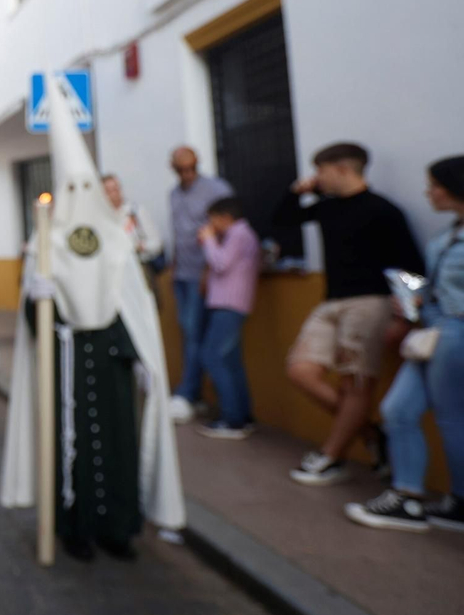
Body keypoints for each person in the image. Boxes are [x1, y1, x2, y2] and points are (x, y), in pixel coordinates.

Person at [0, 75, 185, 562]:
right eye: (74, 187)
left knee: (118, 440)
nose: (83, 194)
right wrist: (38, 294)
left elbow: (134, 301)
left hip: (112, 356)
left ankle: (118, 527)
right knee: (70, 443)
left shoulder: (119, 239)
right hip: (65, 358)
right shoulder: (47, 241)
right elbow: (32, 315)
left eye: (90, 186)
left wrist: (141, 354)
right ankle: (75, 527)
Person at [274, 142, 423, 485]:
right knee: (300, 369)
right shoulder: (326, 208)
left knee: (354, 382)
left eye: (320, 171)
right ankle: (371, 435)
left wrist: (405, 320)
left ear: (342, 169)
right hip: (331, 300)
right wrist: (296, 191)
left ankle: (332, 456)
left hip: (370, 302)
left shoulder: (383, 210)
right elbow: (282, 220)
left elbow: (411, 266)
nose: (316, 178)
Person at [345, 155, 464, 532]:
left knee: (450, 418)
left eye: (435, 185)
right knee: (398, 409)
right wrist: (411, 294)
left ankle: (451, 501)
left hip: (455, 332)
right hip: (432, 332)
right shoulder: (446, 237)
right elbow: (434, 287)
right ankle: (408, 497)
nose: (428, 192)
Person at [166, 147, 233, 423]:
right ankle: (197, 395)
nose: (187, 173)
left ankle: (188, 393)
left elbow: (229, 229)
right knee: (188, 332)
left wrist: (208, 271)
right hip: (181, 273)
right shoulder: (174, 193)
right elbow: (178, 231)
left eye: (191, 167)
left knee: (195, 333)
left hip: (203, 273)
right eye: (181, 169)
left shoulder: (215, 188)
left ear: (198, 164)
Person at [194, 197, 261, 440]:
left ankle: (232, 419)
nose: (210, 225)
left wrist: (208, 240)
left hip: (228, 305)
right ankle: (242, 416)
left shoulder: (238, 234)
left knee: (212, 356)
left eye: (212, 220)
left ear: (224, 217)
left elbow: (221, 263)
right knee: (231, 363)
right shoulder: (242, 235)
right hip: (231, 305)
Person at [103, 173, 163, 266]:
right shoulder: (103, 218)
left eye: (116, 188)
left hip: (138, 264)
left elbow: (156, 243)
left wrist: (138, 247)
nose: (114, 193)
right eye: (108, 191)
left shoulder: (135, 211)